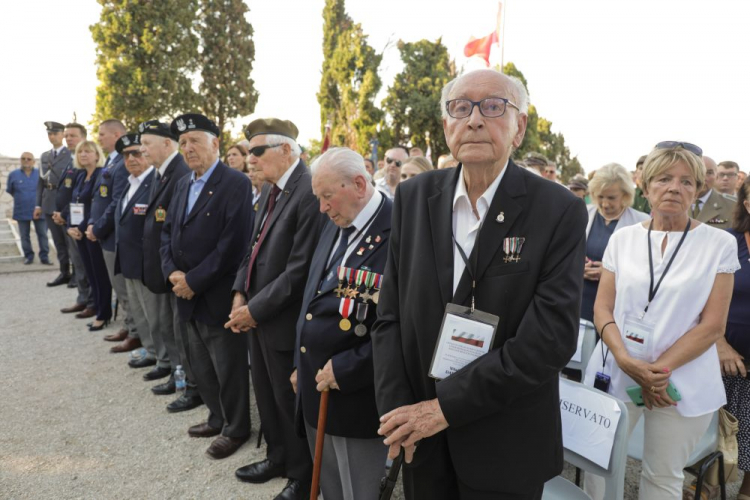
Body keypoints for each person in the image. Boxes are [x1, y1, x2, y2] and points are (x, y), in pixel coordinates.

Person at [372, 68, 587, 500]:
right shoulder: (414, 197)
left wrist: (443, 409)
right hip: (422, 439)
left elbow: (549, 339)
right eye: (460, 107)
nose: (473, 119)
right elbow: (390, 315)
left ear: (519, 127)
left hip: (504, 444)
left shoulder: (557, 209)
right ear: (446, 123)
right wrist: (400, 414)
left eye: (492, 107)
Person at [583, 142, 740, 500]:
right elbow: (603, 309)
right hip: (616, 367)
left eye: (687, 182)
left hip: (679, 379)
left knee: (662, 477)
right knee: (598, 466)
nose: (674, 188)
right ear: (645, 184)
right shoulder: (623, 240)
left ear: (698, 190)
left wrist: (656, 373)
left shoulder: (718, 244)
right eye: (664, 178)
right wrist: (626, 360)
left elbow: (712, 325)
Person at [228, 117, 326, 500]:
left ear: (287, 150)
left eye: (257, 151)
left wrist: (254, 309)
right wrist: (240, 293)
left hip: (283, 317)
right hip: (259, 314)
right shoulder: (272, 189)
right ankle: (277, 457)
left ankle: (302, 477)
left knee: (289, 402)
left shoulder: (307, 189)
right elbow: (252, 249)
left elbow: (299, 270)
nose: (250, 159)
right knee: (266, 394)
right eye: (248, 151)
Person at [291, 147, 390, 500]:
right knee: (331, 486)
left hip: (357, 397)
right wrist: (298, 363)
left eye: (327, 196)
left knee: (356, 491)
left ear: (360, 184)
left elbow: (401, 327)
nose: (322, 207)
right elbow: (312, 296)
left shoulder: (400, 232)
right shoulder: (337, 219)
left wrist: (348, 369)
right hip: (315, 383)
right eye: (318, 197)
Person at [160, 113, 253, 460]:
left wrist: (193, 281)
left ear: (215, 142)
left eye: (195, 141)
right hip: (184, 293)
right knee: (200, 364)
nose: (188, 148)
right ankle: (217, 417)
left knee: (227, 368)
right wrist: (172, 273)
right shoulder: (184, 183)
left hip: (214, 295)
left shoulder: (235, 184)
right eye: (182, 143)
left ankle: (236, 428)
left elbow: (232, 245)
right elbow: (168, 232)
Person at [138, 120, 202, 412]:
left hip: (178, 272)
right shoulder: (160, 173)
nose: (142, 150)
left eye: (147, 143)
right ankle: (180, 376)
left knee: (181, 333)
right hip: (166, 269)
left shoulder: (180, 172)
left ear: (166, 143)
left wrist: (174, 271)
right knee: (170, 328)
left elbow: (180, 229)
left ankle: (189, 383)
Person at [112, 133, 163, 375]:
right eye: (126, 155)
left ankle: (163, 358)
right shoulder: (130, 183)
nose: (131, 158)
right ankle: (151, 351)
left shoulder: (154, 181)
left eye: (136, 152)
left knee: (154, 315)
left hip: (146, 263)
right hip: (129, 260)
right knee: (140, 314)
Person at [581, 163, 649, 323]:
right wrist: (577, 268)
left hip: (617, 305)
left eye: (611, 198)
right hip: (580, 299)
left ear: (625, 195)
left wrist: (611, 275)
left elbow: (647, 269)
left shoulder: (642, 222)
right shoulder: (583, 213)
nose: (605, 204)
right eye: (600, 197)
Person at [717, 176, 750, 500]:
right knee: (710, 431)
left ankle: (745, 491)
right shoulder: (727, 242)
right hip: (721, 358)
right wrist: (719, 344)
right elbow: (699, 301)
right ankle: (701, 485)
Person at [88, 119, 132, 339]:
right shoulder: (111, 162)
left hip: (113, 236)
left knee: (123, 289)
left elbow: (117, 202)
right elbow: (100, 198)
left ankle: (132, 330)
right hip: (105, 234)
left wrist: (98, 228)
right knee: (118, 288)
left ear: (117, 135)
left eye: (102, 134)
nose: (98, 138)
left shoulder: (122, 163)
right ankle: (130, 327)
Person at [65, 141, 112, 331]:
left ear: (96, 154)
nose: (83, 155)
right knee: (90, 274)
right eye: (80, 152)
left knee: (100, 275)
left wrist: (82, 227)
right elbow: (73, 202)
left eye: (87, 151)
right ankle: (98, 308)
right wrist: (70, 225)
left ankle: (103, 314)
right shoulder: (80, 176)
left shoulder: (102, 174)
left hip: (92, 232)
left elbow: (96, 206)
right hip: (79, 233)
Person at [55, 123, 95, 318]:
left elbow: (79, 197)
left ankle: (89, 301)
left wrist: (63, 214)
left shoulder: (86, 163)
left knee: (84, 263)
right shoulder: (71, 161)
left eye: (72, 136)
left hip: (79, 221)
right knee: (77, 262)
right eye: (66, 136)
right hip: (70, 220)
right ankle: (83, 298)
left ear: (83, 137)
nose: (68, 139)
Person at [36, 121, 71, 284]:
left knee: (69, 240)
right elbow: (40, 183)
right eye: (50, 134)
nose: (52, 137)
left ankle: (77, 274)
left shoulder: (71, 154)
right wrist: (38, 205)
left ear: (63, 135)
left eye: (55, 133)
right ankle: (64, 272)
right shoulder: (44, 156)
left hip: (64, 200)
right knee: (58, 241)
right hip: (49, 201)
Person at [7, 153, 50, 265]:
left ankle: (44, 257)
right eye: (23, 158)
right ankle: (29, 256)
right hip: (22, 210)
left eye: (29, 159)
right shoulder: (13, 175)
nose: (26, 160)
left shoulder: (41, 175)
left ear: (33, 161)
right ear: (20, 160)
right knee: (24, 235)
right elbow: (11, 190)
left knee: (43, 234)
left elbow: (45, 191)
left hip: (40, 210)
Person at [693, 156, 735, 229]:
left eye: (709, 173)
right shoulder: (674, 202)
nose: (703, 177)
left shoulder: (733, 207)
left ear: (717, 177)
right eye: (698, 172)